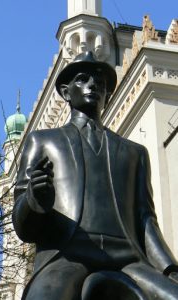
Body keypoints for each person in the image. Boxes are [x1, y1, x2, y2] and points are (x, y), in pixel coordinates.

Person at [13, 51, 178, 299]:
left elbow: (146, 221)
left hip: (128, 259)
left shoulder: (134, 153)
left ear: (107, 96)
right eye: (83, 79)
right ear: (67, 93)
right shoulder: (43, 141)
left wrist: (170, 269)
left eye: (99, 83)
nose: (93, 86)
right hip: (69, 253)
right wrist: (35, 200)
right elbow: (21, 223)